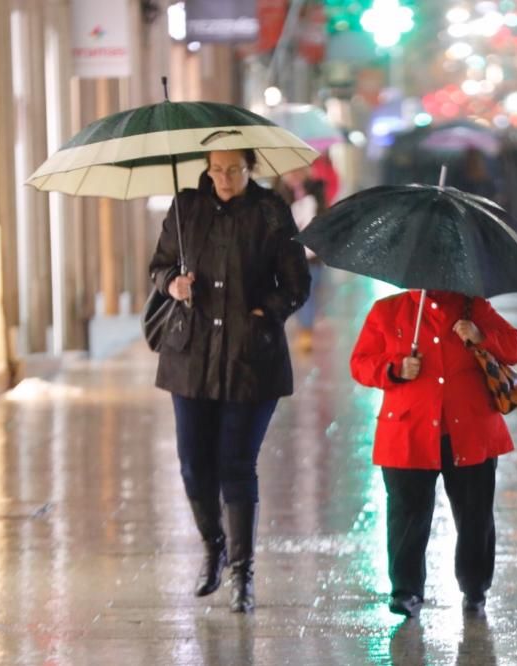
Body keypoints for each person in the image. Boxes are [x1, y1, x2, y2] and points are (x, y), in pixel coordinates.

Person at [148, 149, 311, 613]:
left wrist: (266, 313)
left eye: (233, 169)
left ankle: (243, 574)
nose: (223, 178)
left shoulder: (270, 211)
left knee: (236, 464)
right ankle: (213, 547)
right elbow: (158, 266)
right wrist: (173, 285)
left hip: (250, 358)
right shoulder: (185, 208)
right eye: (215, 169)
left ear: (250, 169)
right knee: (194, 464)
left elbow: (297, 283)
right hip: (191, 356)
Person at [350, 289, 517, 618]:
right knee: (407, 515)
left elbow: (516, 347)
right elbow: (360, 363)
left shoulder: (475, 308)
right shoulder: (388, 311)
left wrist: (480, 336)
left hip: (470, 431)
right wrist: (395, 369)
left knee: (475, 516)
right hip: (409, 432)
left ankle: (475, 587)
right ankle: (406, 591)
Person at [274, 164, 330, 353]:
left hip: (313, 253)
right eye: (291, 171)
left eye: (299, 170)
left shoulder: (316, 189)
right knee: (297, 292)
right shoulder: (278, 194)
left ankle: (306, 328)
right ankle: (304, 327)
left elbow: (324, 216)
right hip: (291, 253)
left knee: (312, 291)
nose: (295, 175)